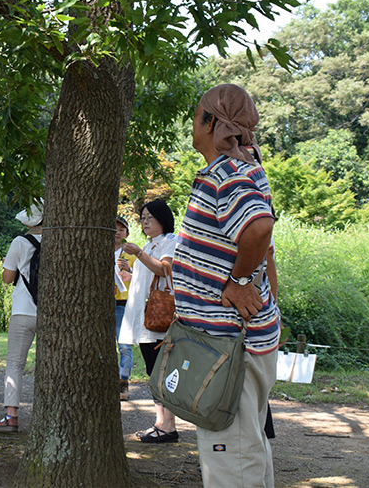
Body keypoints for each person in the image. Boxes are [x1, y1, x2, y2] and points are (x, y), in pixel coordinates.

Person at [172, 83, 280, 487]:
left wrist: (236, 281)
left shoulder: (228, 171)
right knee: (246, 448)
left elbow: (258, 227)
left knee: (231, 459)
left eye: (196, 115)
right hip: (235, 341)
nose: (193, 125)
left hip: (229, 343)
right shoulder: (240, 168)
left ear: (210, 122)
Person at [118, 200, 179, 443]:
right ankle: (162, 423)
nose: (145, 221)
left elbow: (164, 270)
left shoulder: (170, 241)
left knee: (160, 371)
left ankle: (167, 426)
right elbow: (149, 280)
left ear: (163, 218)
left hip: (158, 321)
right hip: (145, 319)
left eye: (150, 217)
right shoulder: (149, 244)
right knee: (154, 370)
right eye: (142, 217)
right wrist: (130, 276)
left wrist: (139, 254)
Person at [0, 202, 42, 432]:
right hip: (51, 314)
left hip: (23, 310)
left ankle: (11, 416)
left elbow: (7, 277)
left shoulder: (19, 242)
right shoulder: (60, 242)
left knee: (15, 364)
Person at [113, 216, 136, 401]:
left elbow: (142, 279)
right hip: (101, 304)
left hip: (122, 304)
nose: (117, 232)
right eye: (114, 229)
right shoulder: (97, 249)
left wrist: (131, 271)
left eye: (121, 229)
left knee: (124, 346)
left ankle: (123, 383)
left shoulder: (132, 254)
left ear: (126, 233)